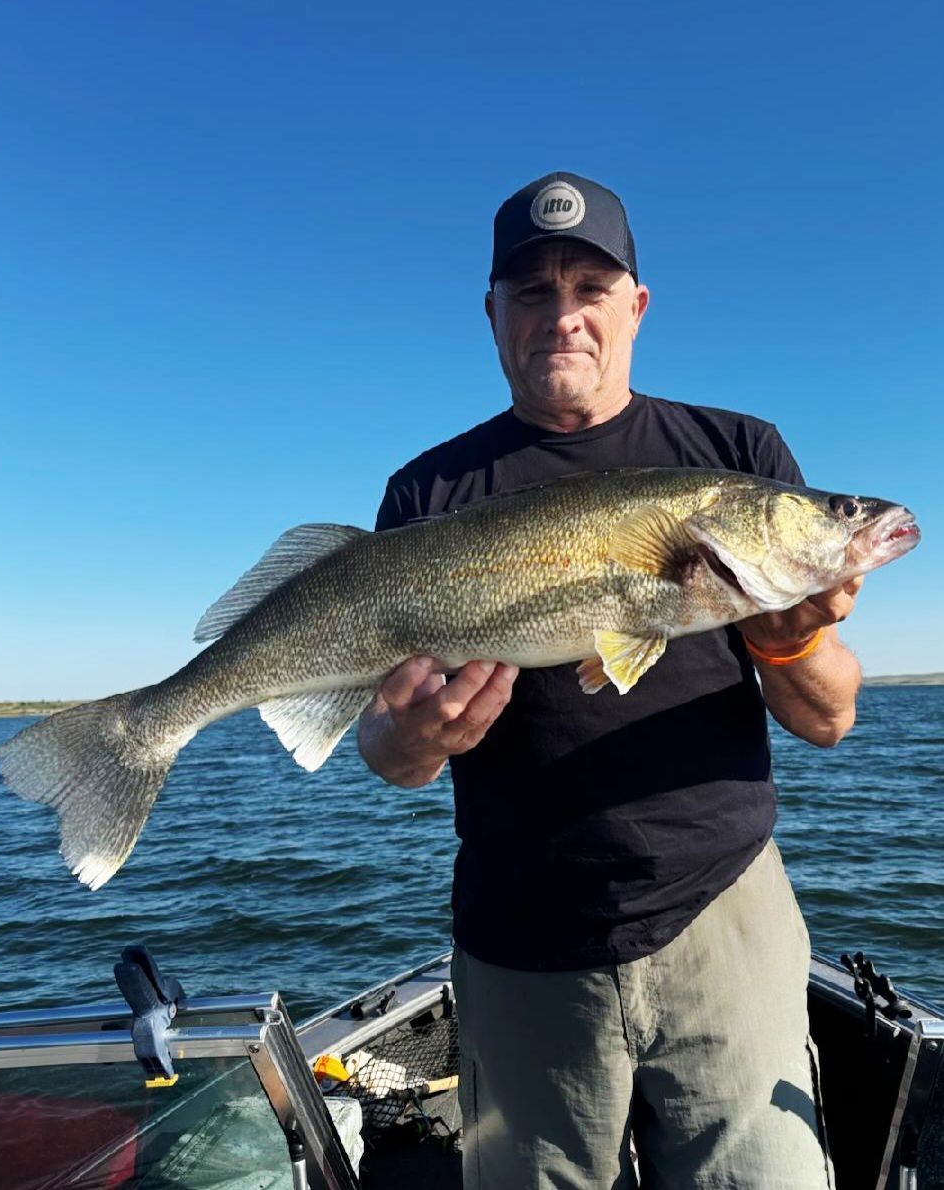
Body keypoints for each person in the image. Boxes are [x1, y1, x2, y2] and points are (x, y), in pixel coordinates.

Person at [359, 171, 858, 1188]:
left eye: (589, 286)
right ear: (493, 314)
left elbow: (832, 716)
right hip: (518, 930)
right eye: (532, 291)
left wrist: (785, 639)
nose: (563, 315)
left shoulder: (736, 453)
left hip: (723, 906)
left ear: (635, 306)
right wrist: (415, 738)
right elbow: (384, 745)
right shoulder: (427, 490)